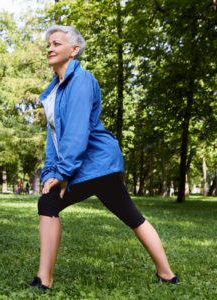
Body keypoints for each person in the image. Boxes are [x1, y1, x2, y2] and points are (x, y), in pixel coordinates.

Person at [30, 25, 179, 292]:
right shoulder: (55, 91)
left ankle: (44, 281)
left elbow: (76, 132)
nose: (50, 48)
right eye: (48, 45)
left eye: (57, 44)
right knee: (133, 216)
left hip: (96, 163)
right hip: (95, 166)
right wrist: (50, 171)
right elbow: (53, 138)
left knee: (48, 203)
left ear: (74, 50)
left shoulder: (82, 80)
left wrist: (63, 173)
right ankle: (167, 275)